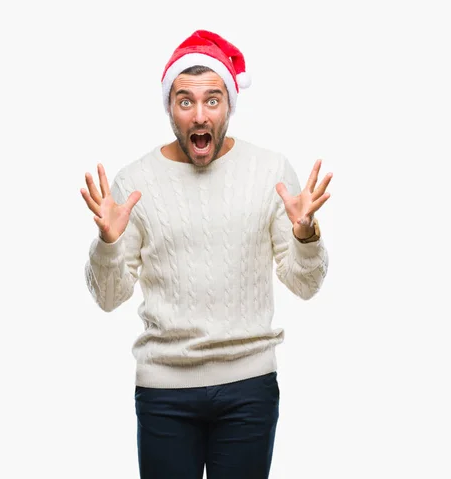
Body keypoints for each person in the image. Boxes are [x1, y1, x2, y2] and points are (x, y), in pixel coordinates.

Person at [81, 29, 332, 479]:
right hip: (164, 391)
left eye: (212, 101)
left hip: (249, 387)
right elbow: (107, 297)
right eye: (185, 101)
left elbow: (305, 284)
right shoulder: (135, 181)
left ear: (229, 106)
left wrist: (306, 235)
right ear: (170, 108)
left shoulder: (269, 171)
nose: (200, 114)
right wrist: (107, 244)